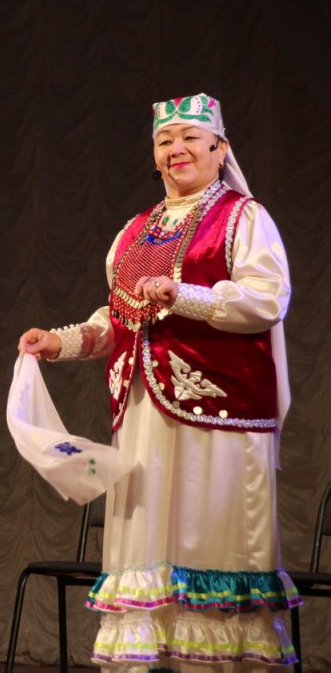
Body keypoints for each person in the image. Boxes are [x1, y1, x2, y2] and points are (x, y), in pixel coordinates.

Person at [18, 93, 297, 669]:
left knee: (211, 537)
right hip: (143, 410)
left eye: (191, 138)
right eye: (165, 141)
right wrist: (61, 342)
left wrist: (184, 295)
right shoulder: (135, 230)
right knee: (146, 543)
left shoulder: (243, 218)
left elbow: (267, 299)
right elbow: (117, 317)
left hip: (218, 410)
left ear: (220, 148)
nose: (177, 149)